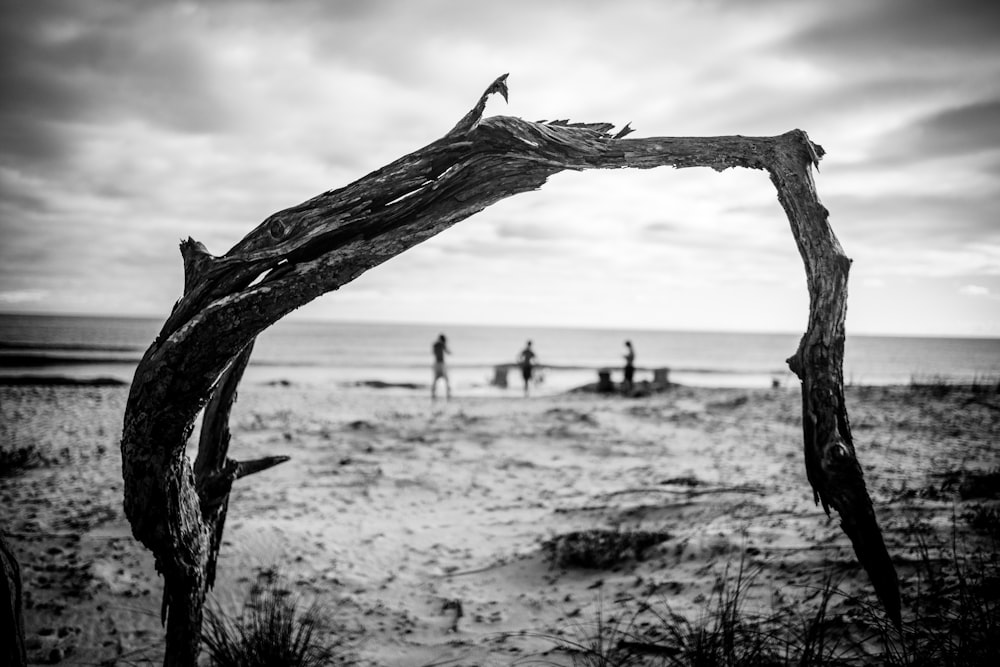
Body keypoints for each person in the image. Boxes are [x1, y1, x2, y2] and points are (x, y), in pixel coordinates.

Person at [432, 334, 451, 400]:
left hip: (436, 363)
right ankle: (448, 395)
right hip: (441, 364)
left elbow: (433, 352)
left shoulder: (435, 344)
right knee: (446, 380)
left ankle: (433, 395)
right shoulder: (442, 344)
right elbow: (448, 352)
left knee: (435, 380)